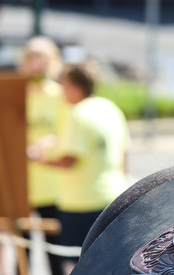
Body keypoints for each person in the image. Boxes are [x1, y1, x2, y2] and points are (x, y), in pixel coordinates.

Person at [30, 61, 131, 273]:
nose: (61, 92)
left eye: (64, 86)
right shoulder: (109, 107)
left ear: (76, 87)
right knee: (108, 259)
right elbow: (124, 150)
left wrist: (39, 159)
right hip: (112, 194)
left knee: (73, 263)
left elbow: (70, 160)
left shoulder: (78, 113)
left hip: (80, 201)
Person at [19, 36, 68, 275]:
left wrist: (45, 143)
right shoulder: (17, 94)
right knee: (20, 250)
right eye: (32, 60)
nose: (37, 66)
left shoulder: (59, 95)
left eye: (43, 60)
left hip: (51, 183)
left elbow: (66, 131)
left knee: (54, 252)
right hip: (22, 184)